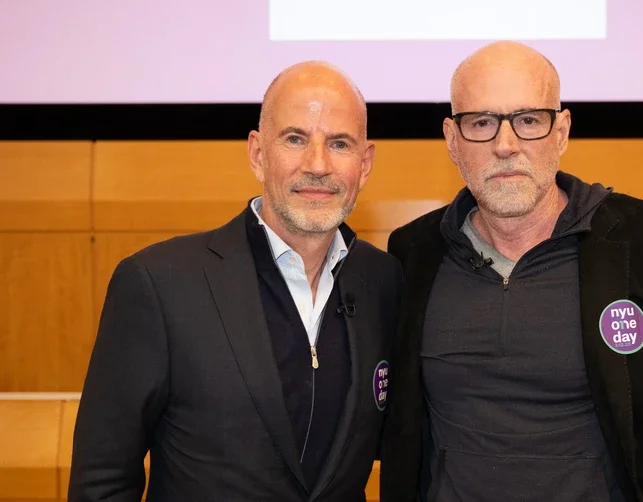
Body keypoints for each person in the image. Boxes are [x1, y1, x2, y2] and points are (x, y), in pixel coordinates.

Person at [379, 41, 643, 502]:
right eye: (481, 123)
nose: (505, 146)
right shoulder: (413, 253)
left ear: (561, 132)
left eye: (528, 121)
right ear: (452, 139)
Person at [69, 61, 403, 501]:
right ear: (258, 154)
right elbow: (101, 480)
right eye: (295, 139)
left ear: (365, 163)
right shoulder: (159, 285)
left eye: (339, 143)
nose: (318, 164)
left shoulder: (385, 282)